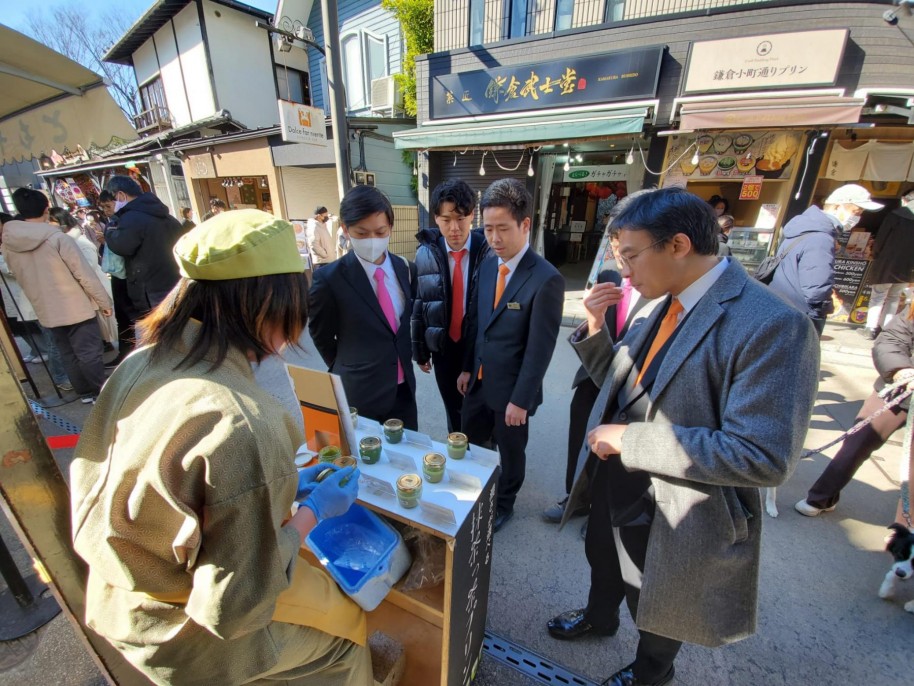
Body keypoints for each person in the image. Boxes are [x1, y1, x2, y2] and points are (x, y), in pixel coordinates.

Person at [69, 209, 370, 685]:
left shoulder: (138, 364)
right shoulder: (242, 420)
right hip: (184, 628)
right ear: (266, 306)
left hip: (116, 596)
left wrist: (286, 482)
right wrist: (313, 512)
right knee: (346, 637)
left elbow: (175, 489)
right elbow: (235, 607)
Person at [550, 187, 819, 686]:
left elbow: (763, 455)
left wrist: (630, 441)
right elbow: (625, 383)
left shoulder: (774, 325)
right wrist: (594, 326)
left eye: (630, 256)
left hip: (679, 503)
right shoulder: (663, 299)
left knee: (658, 598)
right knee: (603, 557)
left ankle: (652, 672)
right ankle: (598, 616)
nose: (623, 272)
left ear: (677, 245)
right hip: (617, 478)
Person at [544, 194, 660, 528]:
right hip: (594, 378)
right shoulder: (610, 275)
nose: (622, 262)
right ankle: (576, 498)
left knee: (617, 455)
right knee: (581, 440)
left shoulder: (663, 289)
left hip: (635, 387)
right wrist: (593, 320)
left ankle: (604, 513)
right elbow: (600, 330)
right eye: (615, 247)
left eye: (629, 252)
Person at [457, 179, 564, 532]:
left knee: (511, 450)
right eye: (488, 228)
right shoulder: (489, 264)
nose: (494, 238)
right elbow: (478, 324)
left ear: (525, 224)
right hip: (478, 380)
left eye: (503, 228)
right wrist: (467, 368)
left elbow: (540, 350)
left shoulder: (546, 279)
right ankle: (478, 490)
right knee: (472, 440)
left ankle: (504, 503)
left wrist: (521, 400)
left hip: (513, 392)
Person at [309, 186, 418, 429]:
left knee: (406, 449)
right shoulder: (329, 279)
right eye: (362, 232)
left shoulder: (406, 269)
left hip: (403, 390)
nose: (372, 240)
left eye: (380, 232)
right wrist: (350, 366)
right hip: (359, 393)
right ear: (345, 229)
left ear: (390, 227)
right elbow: (321, 336)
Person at [795, 309, 914, 520]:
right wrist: (900, 370)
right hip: (899, 388)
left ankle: (905, 526)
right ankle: (822, 497)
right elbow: (891, 339)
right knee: (857, 442)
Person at [2, 188, 112, 403]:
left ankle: (85, 394)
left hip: (44, 308)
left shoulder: (9, 243)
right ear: (46, 210)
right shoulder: (57, 238)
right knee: (89, 352)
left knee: (67, 352)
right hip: (75, 305)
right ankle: (101, 393)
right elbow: (84, 273)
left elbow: (17, 273)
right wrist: (103, 301)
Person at [412, 180, 489, 433]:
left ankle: (483, 450)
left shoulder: (488, 251)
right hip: (443, 347)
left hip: (477, 345)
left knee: (480, 411)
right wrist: (420, 350)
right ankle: (458, 447)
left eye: (461, 218)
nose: (454, 228)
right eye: (446, 220)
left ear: (472, 215)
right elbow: (420, 302)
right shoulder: (425, 254)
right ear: (436, 218)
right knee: (453, 410)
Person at [769, 184, 883, 337]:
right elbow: (816, 289)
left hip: (782, 305)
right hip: (798, 314)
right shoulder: (821, 238)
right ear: (837, 207)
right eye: (856, 211)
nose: (858, 217)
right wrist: (822, 312)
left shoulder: (804, 228)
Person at [104, 175, 184, 318]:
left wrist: (109, 231)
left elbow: (122, 246)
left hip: (152, 288)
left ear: (121, 195)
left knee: (161, 326)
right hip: (177, 281)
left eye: (113, 199)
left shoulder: (131, 218)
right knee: (180, 322)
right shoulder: (167, 216)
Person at [49, 208, 118, 349]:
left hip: (93, 288)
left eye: (51, 221)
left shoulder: (80, 242)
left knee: (107, 325)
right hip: (86, 291)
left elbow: (88, 268)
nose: (48, 224)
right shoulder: (64, 241)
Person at [860, 188, 914, 340]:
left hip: (887, 262)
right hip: (908, 266)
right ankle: (886, 330)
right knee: (894, 297)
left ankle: (870, 328)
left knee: (878, 296)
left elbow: (881, 238)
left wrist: (875, 253)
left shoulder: (896, 215)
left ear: (904, 200)